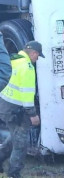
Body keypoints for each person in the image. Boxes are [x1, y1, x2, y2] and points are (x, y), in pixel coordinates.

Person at [0, 40, 43, 178]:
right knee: (21, 143)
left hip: (5, 106)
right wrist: (33, 115)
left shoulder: (14, 59)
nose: (37, 59)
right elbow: (27, 94)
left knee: (14, 136)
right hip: (16, 111)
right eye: (37, 56)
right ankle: (13, 173)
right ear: (34, 53)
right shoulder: (27, 67)